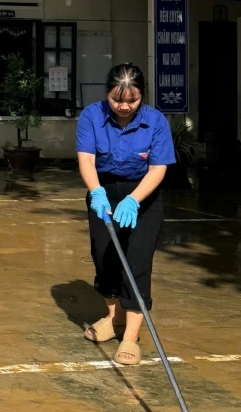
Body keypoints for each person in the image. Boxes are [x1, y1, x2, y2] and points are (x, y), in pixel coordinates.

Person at [75, 64, 175, 366]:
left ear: (141, 96)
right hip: (103, 189)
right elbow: (87, 160)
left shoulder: (156, 122)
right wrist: (97, 192)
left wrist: (133, 200)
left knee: (137, 262)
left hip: (143, 195)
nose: (124, 107)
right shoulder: (92, 116)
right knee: (104, 256)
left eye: (131, 101)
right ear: (107, 94)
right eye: (117, 100)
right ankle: (113, 316)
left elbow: (158, 168)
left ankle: (131, 335)